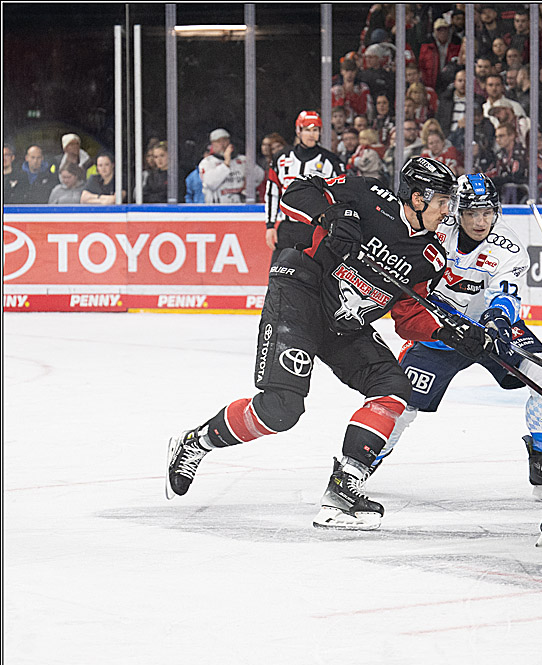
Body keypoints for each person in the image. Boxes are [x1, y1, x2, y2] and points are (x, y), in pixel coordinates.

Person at [165, 157, 474, 531]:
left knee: (393, 388)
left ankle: (344, 488)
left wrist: (447, 331)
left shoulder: (430, 257)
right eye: (443, 201)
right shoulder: (368, 193)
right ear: (418, 198)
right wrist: (333, 214)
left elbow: (409, 315)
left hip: (344, 325)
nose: (448, 211)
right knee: (281, 409)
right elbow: (296, 192)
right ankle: (197, 442)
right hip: (301, 292)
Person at [369, 174, 542, 499]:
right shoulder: (436, 231)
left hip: (489, 327)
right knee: (402, 401)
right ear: (458, 211)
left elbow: (506, 295)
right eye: (472, 213)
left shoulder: (508, 247)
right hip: (441, 331)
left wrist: (498, 321)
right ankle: (365, 461)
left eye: (486, 213)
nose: (480, 221)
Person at [264, 111, 344, 262]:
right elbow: (272, 192)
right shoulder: (281, 158)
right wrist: (270, 225)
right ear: (298, 131)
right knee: (278, 278)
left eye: (315, 130)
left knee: (314, 279)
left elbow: (339, 197)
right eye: (307, 129)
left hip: (316, 230)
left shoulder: (331, 162)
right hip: (287, 228)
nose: (311, 134)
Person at [199, 129, 246, 203]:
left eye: (225, 140)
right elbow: (210, 183)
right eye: (218, 141)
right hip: (218, 208)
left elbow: (259, 176)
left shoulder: (242, 160)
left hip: (240, 205)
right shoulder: (207, 162)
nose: (222, 144)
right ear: (212, 144)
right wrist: (226, 163)